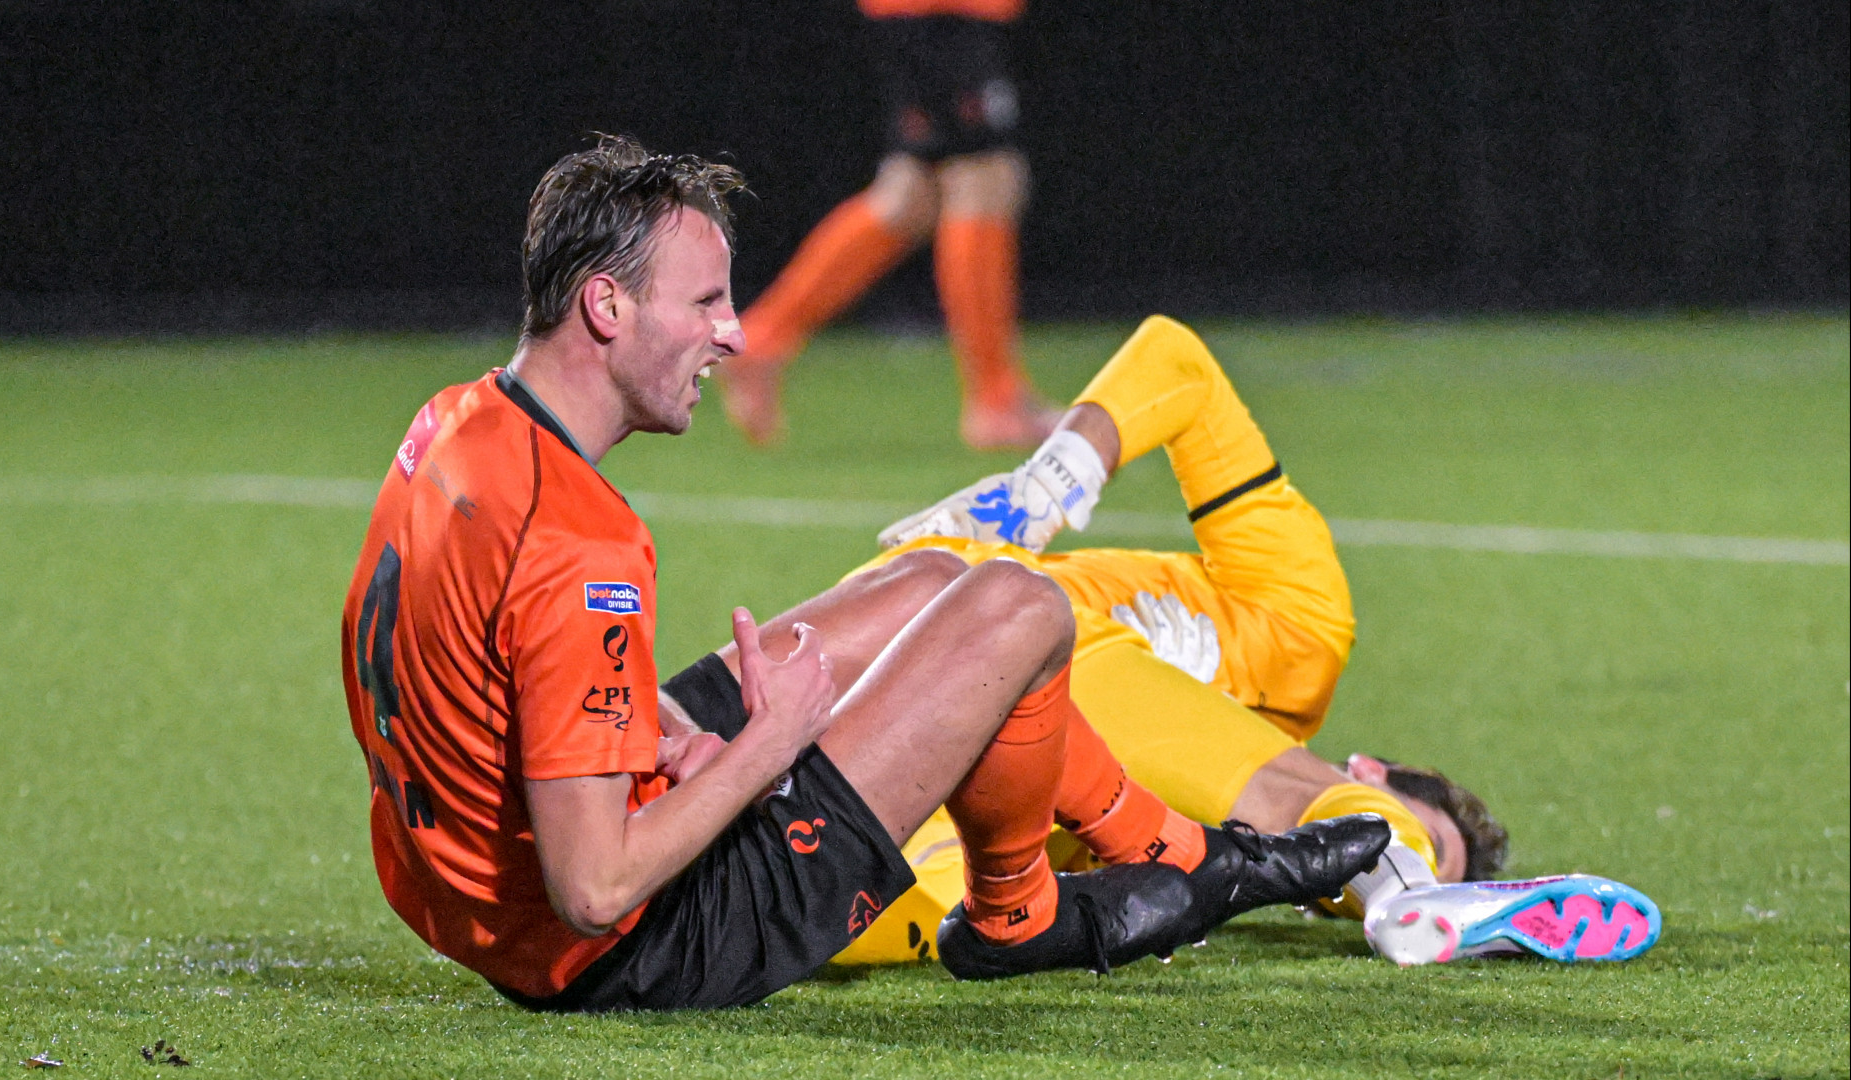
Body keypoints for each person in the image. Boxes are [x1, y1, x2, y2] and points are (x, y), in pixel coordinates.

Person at [340, 138, 1391, 1012]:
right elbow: (594, 886)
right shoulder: (582, 544)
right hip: (630, 950)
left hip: (477, 891)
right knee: (1019, 606)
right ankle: (1024, 911)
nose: (734, 334)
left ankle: (1152, 852)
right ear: (607, 308)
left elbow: (487, 668)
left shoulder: (455, 423)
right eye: (704, 303)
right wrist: (767, 745)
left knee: (933, 578)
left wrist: (664, 732)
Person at [707, 314, 1646, 966]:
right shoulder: (1303, 626)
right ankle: (1410, 902)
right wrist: (1046, 489)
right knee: (1302, 803)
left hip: (912, 697)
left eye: (1425, 860)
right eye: (1428, 837)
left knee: (861, 902)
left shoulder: (1148, 841)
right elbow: (1178, 362)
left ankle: (652, 893)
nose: (1325, 901)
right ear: (1375, 765)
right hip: (999, 614)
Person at [718, 0, 1056, 449]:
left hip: (924, 16)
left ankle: (760, 341)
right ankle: (997, 401)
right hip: (947, 14)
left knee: (910, 196)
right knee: (983, 175)